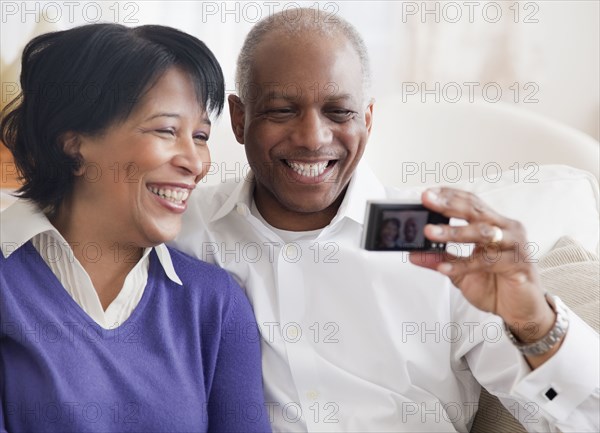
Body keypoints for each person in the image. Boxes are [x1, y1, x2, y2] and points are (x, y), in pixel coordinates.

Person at [173, 8, 599, 432]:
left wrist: (534, 320)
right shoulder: (181, 229)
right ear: (240, 118)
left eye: (339, 111)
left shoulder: (443, 239)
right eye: (282, 110)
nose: (312, 138)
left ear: (368, 119)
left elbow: (582, 420)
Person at [0, 24, 271, 433]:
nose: (195, 162)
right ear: (73, 142)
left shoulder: (214, 303)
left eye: (200, 136)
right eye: (166, 130)